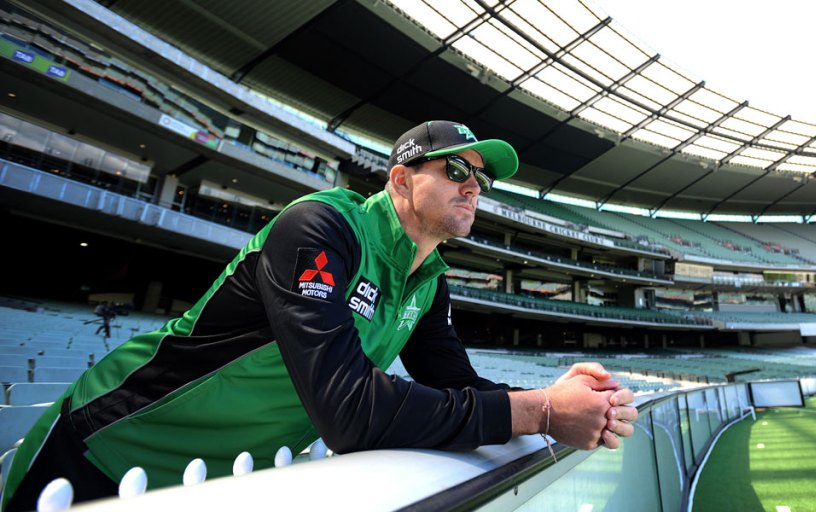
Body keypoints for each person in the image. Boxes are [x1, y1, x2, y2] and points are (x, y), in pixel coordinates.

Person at [1, 121, 638, 510]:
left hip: (215, 485)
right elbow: (349, 412)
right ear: (400, 180)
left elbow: (458, 386)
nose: (474, 186)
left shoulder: (429, 280)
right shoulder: (321, 226)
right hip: (102, 445)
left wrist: (565, 398)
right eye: (455, 170)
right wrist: (542, 412)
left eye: (482, 180)